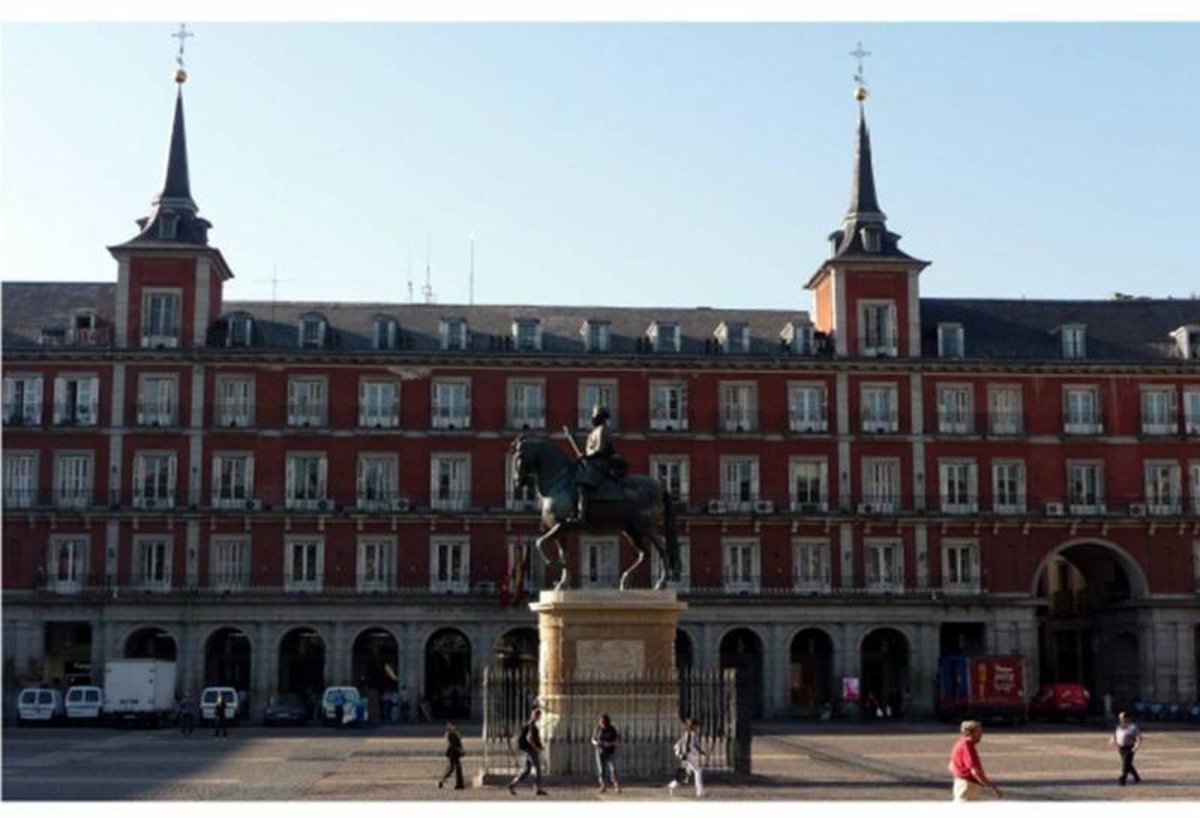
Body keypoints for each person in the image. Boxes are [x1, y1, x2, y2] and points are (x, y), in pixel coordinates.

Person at [569, 404, 620, 524]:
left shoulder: (602, 430)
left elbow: (600, 450)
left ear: (601, 417)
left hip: (601, 463)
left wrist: (586, 456)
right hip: (593, 462)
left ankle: (581, 514)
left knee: (582, 485)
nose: (593, 419)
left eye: (596, 417)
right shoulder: (595, 431)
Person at [948, 720, 1001, 801]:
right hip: (968, 786)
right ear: (970, 733)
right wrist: (990, 786)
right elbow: (975, 771)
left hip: (961, 784)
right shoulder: (967, 746)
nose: (981, 735)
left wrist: (959, 775)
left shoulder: (960, 744)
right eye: (978, 732)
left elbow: (951, 766)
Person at [507, 708, 547, 796]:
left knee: (527, 771)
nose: (539, 718)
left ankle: (513, 784)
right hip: (531, 751)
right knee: (538, 769)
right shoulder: (532, 726)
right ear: (537, 716)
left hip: (527, 750)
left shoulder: (528, 724)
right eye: (539, 716)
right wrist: (536, 748)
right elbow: (529, 738)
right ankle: (537, 789)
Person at [667, 718, 707, 798]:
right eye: (697, 726)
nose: (698, 728)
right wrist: (686, 754)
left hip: (688, 755)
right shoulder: (691, 733)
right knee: (698, 771)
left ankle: (672, 786)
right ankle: (699, 791)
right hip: (689, 755)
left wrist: (702, 752)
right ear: (694, 726)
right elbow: (688, 744)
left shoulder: (689, 733)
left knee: (686, 773)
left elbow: (694, 745)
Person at [1108, 711, 1143, 785]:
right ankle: (1136, 777)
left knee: (1125, 763)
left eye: (1122, 718)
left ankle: (1123, 778)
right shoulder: (1119, 727)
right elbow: (1114, 735)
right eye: (1120, 718)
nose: (1121, 719)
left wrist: (1136, 746)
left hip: (1130, 747)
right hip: (1121, 748)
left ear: (1127, 718)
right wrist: (1112, 741)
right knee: (1128, 763)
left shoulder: (1133, 727)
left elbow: (1138, 738)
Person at [591, 712, 621, 793]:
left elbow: (617, 740)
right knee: (601, 769)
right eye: (600, 721)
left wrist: (610, 744)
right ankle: (603, 785)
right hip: (600, 751)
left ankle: (616, 784)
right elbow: (593, 739)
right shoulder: (597, 729)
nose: (601, 723)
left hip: (610, 751)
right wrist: (597, 743)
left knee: (613, 768)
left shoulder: (612, 729)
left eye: (603, 722)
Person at [437, 722, 466, 790]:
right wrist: (459, 750)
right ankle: (442, 781)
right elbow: (452, 744)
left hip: (455, 753)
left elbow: (458, 742)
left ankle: (459, 784)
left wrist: (461, 749)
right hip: (453, 753)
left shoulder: (455, 733)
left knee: (456, 768)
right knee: (452, 768)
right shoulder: (450, 734)